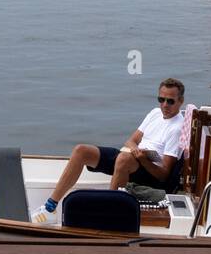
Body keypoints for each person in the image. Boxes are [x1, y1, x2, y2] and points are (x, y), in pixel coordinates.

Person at [31, 78, 187, 225]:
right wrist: (136, 150)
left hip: (149, 172)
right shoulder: (154, 113)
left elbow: (164, 174)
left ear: (180, 101)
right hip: (134, 158)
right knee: (81, 151)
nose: (165, 105)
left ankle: (108, 214)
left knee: (123, 159)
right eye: (161, 99)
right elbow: (131, 140)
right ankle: (50, 208)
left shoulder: (176, 128)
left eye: (170, 101)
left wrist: (143, 158)